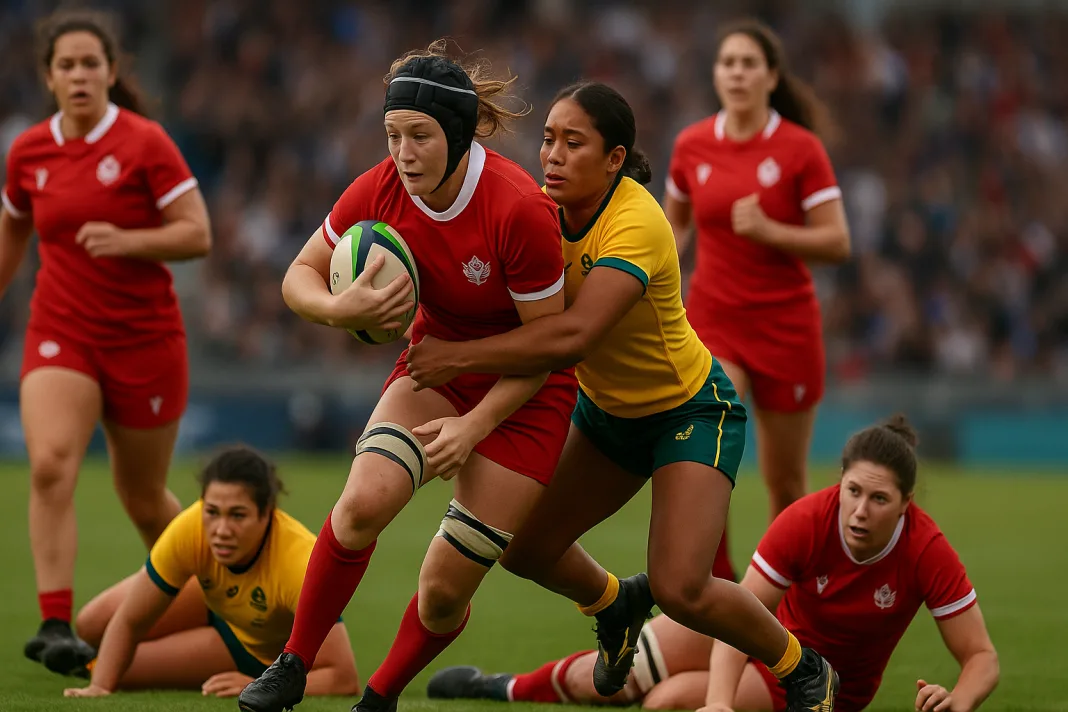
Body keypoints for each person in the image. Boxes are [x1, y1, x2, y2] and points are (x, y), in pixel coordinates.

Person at [407, 81, 838, 712]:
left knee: (682, 586)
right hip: (606, 415)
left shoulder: (637, 220)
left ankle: (804, 669)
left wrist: (457, 357)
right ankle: (616, 604)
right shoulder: (537, 212)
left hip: (691, 412)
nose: (552, 154)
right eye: (548, 138)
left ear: (614, 159)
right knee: (524, 549)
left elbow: (575, 335)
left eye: (572, 142)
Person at [237, 41, 577, 712]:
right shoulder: (382, 187)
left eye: (419, 136)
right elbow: (296, 276)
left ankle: (381, 696)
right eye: (392, 134)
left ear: (455, 135)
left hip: (526, 393)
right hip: (437, 365)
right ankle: (293, 663)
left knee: (444, 590)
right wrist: (339, 308)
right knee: (363, 503)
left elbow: (545, 348)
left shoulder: (518, 209)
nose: (402, 151)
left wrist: (475, 425)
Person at [428, 416, 1000, 712]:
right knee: (619, 677)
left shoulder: (924, 549)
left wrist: (961, 700)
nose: (860, 510)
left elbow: (980, 657)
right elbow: (739, 616)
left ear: (906, 505)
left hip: (812, 689)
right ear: (840, 483)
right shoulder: (809, 519)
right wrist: (722, 701)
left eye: (879, 500)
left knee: (666, 703)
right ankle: (502, 689)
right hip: (763, 638)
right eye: (853, 492)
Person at [1, 10, 211, 670]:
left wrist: (130, 241)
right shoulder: (29, 151)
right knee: (51, 463)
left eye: (92, 63)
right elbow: (13, 229)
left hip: (144, 340)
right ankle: (56, 622)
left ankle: (218, 591)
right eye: (67, 65)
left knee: (144, 497)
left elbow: (197, 232)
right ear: (49, 77)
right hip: (60, 331)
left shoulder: (147, 143)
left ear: (112, 72)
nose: (80, 75)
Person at [664, 19, 851, 542]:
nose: (737, 73)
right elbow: (674, 222)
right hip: (714, 319)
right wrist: (660, 262)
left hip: (786, 325)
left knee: (786, 482)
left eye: (749, 64)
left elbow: (837, 242)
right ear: (716, 75)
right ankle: (709, 588)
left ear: (772, 77)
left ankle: (779, 603)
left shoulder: (800, 149)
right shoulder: (692, 144)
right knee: (707, 455)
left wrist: (770, 229)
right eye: (728, 63)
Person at [59, 446, 360, 699]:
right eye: (212, 512)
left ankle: (87, 661)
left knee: (115, 667)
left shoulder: (300, 562)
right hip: (208, 598)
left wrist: (259, 684)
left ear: (267, 512)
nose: (221, 530)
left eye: (238, 515)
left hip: (252, 647)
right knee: (91, 624)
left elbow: (343, 677)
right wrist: (98, 689)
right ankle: (93, 661)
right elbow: (129, 620)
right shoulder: (190, 528)